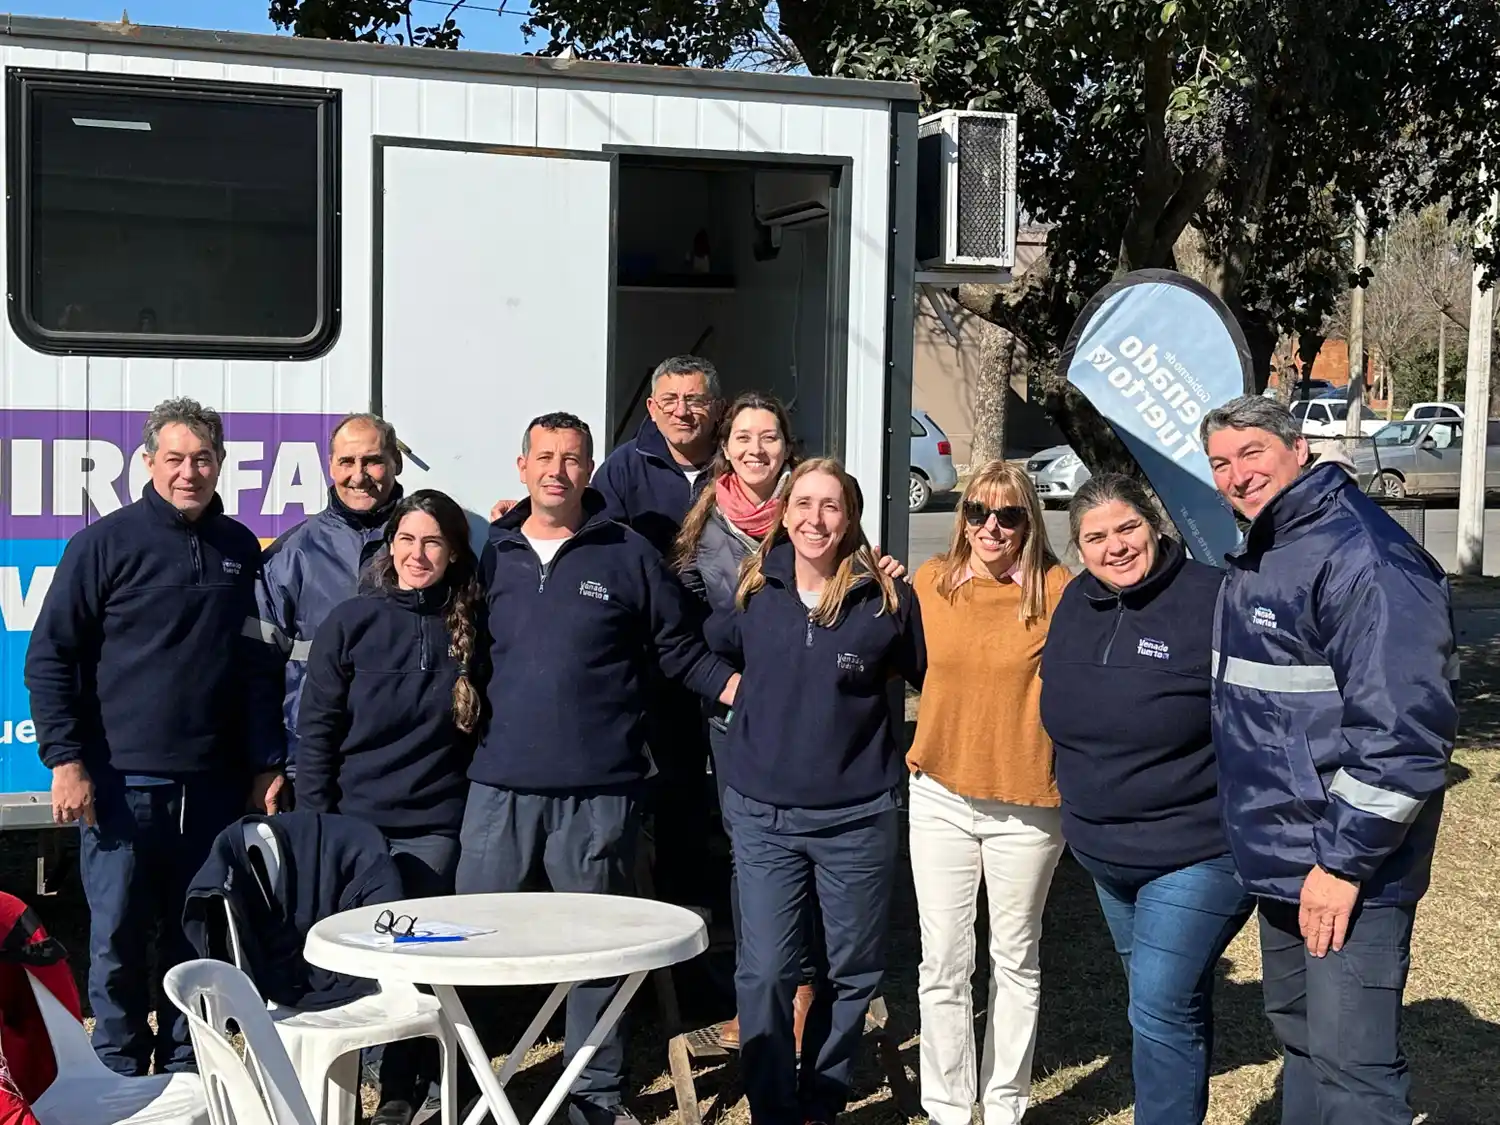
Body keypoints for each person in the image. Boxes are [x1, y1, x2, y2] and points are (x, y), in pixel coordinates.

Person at [457, 411, 739, 1125]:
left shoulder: (627, 553)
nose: (558, 469)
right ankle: (456, 1084)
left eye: (573, 457)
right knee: (467, 948)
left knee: (598, 948)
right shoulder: (489, 552)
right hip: (500, 786)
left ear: (591, 470)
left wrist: (738, 686)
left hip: (601, 789)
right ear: (521, 466)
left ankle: (594, 1094)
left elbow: (676, 647)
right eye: (545, 456)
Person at [1202, 396, 1457, 1125]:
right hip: (1286, 855)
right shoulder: (1271, 544)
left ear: (1297, 446)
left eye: (1252, 452)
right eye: (1221, 462)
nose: (1236, 473)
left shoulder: (1364, 556)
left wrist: (1342, 866)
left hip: (1349, 872)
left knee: (1354, 1073)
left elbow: (1403, 736)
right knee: (1301, 1037)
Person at [24, 397, 284, 1076]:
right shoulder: (102, 544)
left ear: (221, 464)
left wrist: (262, 765)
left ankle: (183, 1064)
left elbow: (258, 668)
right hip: (119, 784)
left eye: (202, 458)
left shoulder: (238, 549)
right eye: (174, 458)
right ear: (147, 462)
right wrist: (66, 760)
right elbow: (50, 656)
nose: (189, 471)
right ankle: (115, 1066)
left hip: (214, 783)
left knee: (193, 935)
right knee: (115, 938)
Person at [708, 458, 924, 1125]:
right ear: (784, 511)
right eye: (803, 502)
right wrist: (734, 691)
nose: (815, 518)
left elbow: (932, 676)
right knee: (767, 970)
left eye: (831, 505)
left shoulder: (884, 601)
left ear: (850, 518)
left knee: (849, 971)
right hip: (764, 814)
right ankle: (773, 1106)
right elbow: (701, 649)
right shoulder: (755, 590)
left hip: (858, 816)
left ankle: (820, 1102)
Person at [1041, 473, 1252, 1125]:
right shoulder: (1075, 602)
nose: (1116, 545)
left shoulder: (1214, 600)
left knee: (1158, 1004)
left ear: (1156, 527)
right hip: (1105, 855)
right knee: (1165, 1003)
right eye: (1096, 536)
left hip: (1198, 850)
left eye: (1128, 527)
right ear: (1078, 547)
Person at [297, 489, 483, 1125]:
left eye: (432, 541)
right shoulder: (351, 622)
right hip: (357, 827)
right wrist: (323, 828)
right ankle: (353, 1084)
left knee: (423, 961)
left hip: (437, 824)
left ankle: (405, 1092)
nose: (417, 553)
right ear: (390, 548)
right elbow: (316, 733)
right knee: (368, 964)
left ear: (454, 552)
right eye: (406, 540)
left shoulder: (474, 630)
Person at [904, 461, 1070, 1125]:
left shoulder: (1057, 590)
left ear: (1029, 521)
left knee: (1014, 959)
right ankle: (947, 1106)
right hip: (940, 792)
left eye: (1009, 514)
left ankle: (1004, 1105)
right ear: (962, 515)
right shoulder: (930, 581)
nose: (991, 526)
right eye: (979, 512)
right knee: (941, 961)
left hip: (1027, 802)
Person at [252, 413, 405, 807]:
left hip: (403, 760)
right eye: (346, 462)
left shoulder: (424, 547)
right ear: (330, 466)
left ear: (395, 464)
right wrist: (268, 763)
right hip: (311, 762)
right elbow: (256, 670)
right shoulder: (293, 553)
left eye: (372, 460)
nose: (359, 475)